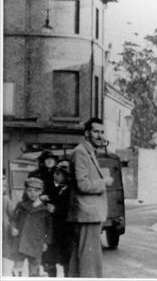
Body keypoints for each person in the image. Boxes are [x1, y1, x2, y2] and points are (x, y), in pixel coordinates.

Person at [67, 117, 113, 278]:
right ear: (87, 133)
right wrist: (104, 182)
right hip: (86, 215)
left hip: (88, 215)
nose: (100, 136)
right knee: (89, 262)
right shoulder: (81, 152)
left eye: (102, 132)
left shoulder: (88, 152)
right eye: (96, 132)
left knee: (79, 260)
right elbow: (83, 185)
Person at [10, 177, 51, 277]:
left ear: (41, 191)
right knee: (17, 268)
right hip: (21, 242)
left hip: (36, 243)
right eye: (29, 190)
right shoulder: (21, 205)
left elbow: (50, 228)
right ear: (25, 191)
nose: (32, 193)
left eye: (36, 191)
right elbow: (14, 219)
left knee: (34, 270)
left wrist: (46, 242)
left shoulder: (45, 209)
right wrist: (13, 227)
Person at [42, 163, 73, 277]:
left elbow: (70, 209)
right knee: (49, 260)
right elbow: (53, 199)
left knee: (66, 261)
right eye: (55, 172)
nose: (55, 175)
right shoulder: (56, 187)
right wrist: (45, 199)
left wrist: (55, 210)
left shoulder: (70, 190)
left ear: (66, 175)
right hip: (53, 231)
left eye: (58, 173)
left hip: (65, 231)